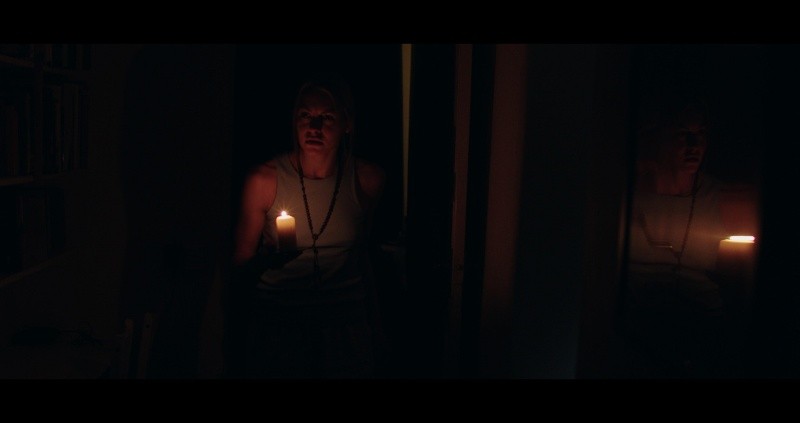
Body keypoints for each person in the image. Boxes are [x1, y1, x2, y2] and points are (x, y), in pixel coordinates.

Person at [231, 75, 385, 378]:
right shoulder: (264, 181)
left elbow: (365, 257)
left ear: (346, 124)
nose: (314, 127)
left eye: (326, 117)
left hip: (345, 329)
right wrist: (267, 261)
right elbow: (240, 264)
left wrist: (377, 330)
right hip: (280, 327)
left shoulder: (367, 180)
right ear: (294, 121)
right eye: (305, 115)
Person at [622, 92, 741, 377]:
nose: (693, 145)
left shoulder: (717, 197)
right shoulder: (627, 191)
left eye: (700, 135)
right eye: (682, 134)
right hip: (636, 326)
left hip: (703, 327)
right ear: (659, 137)